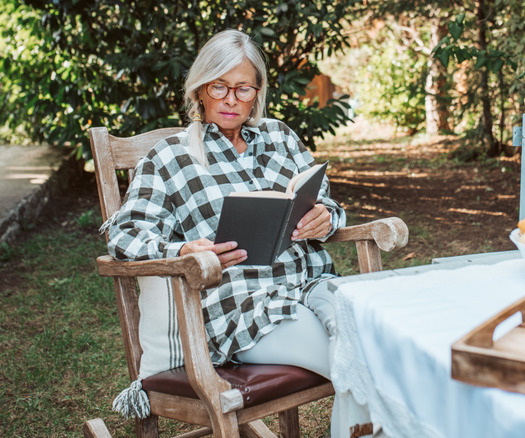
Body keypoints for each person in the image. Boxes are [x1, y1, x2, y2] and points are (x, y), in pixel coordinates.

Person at [105, 29, 345, 431]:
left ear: (257, 92)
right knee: (356, 360)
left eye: (243, 88)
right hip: (245, 308)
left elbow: (326, 203)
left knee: (373, 332)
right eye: (219, 86)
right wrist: (183, 250)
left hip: (313, 282)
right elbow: (124, 234)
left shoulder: (280, 137)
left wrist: (326, 217)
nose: (231, 99)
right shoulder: (171, 157)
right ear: (200, 89)